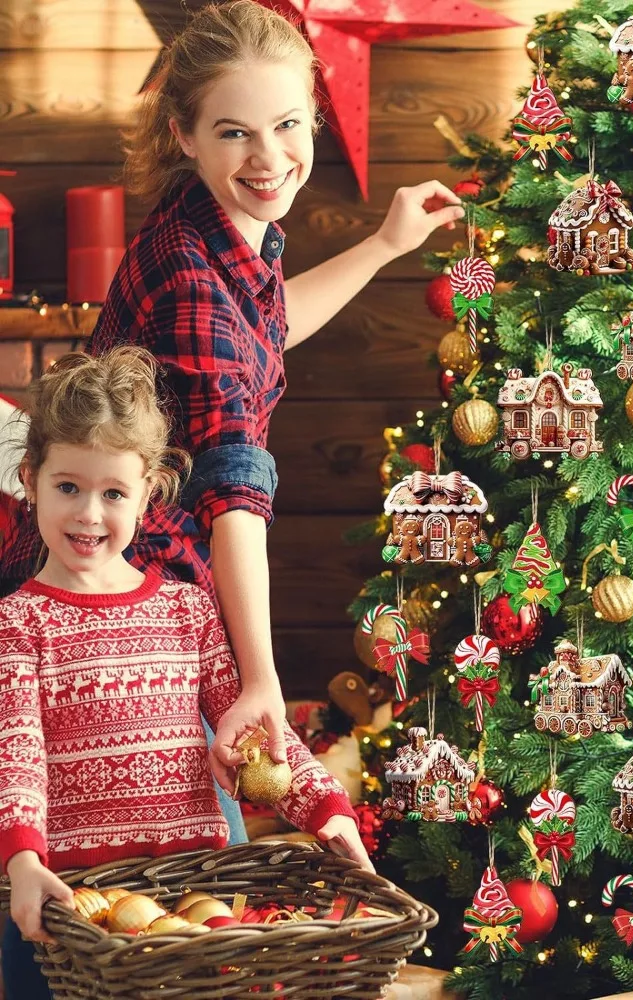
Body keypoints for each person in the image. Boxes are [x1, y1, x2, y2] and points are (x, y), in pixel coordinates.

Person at [0, 1, 464, 792]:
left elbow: (261, 333)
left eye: (288, 124)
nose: (269, 157)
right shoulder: (190, 275)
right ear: (184, 133)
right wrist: (260, 676)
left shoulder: (214, 222)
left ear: (314, 116)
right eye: (234, 132)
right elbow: (232, 492)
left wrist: (384, 246)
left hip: (141, 596)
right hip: (123, 621)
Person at [0, 348, 369, 1000]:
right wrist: (25, 862)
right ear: (29, 480)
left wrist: (328, 812)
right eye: (68, 487)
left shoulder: (186, 607)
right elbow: (16, 757)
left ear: (149, 492)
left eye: (113, 493)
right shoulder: (19, 623)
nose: (89, 514)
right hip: (70, 910)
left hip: (191, 903)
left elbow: (257, 734)